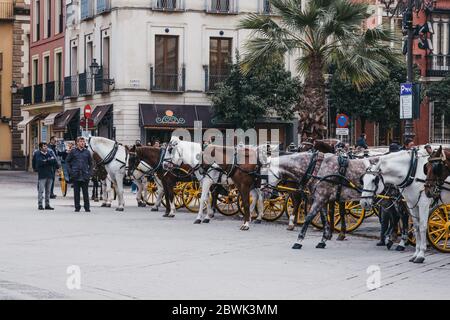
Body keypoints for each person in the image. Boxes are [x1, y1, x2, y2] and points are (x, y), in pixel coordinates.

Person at [66, 137, 93, 212]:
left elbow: (91, 164)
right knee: (76, 193)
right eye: (81, 141)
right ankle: (77, 207)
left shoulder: (87, 152)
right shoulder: (73, 152)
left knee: (85, 193)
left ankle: (87, 207)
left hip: (85, 175)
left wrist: (90, 173)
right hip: (75, 175)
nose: (82, 143)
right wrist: (70, 171)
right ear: (77, 143)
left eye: (83, 142)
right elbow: (67, 162)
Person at [35, 142, 57, 211]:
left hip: (50, 174)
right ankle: (40, 204)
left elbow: (54, 161)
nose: (46, 147)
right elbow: (39, 162)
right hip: (42, 175)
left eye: (46, 146)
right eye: (44, 146)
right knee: (41, 191)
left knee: (48, 191)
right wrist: (48, 161)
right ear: (41, 148)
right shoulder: (38, 154)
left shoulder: (49, 153)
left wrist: (46, 161)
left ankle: (47, 205)